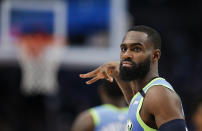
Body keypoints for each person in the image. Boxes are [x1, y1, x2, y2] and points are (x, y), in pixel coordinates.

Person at [80, 25, 188, 131]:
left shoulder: (158, 94)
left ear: (155, 56)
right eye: (124, 49)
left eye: (136, 49)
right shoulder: (142, 95)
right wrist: (116, 71)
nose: (126, 54)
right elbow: (137, 110)